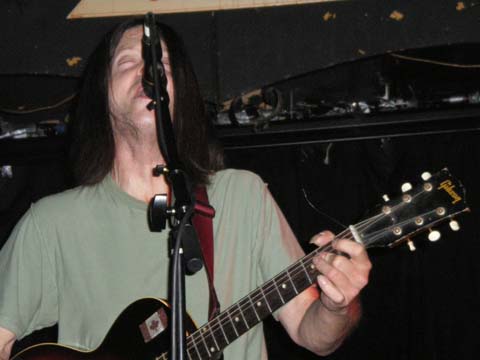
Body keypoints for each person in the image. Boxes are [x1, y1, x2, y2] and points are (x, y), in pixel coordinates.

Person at [0, 18, 371, 360]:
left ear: (181, 89)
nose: (147, 71)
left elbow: (314, 334)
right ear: (102, 93)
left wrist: (336, 305)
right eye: (128, 61)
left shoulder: (242, 197)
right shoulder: (52, 224)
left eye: (160, 63)